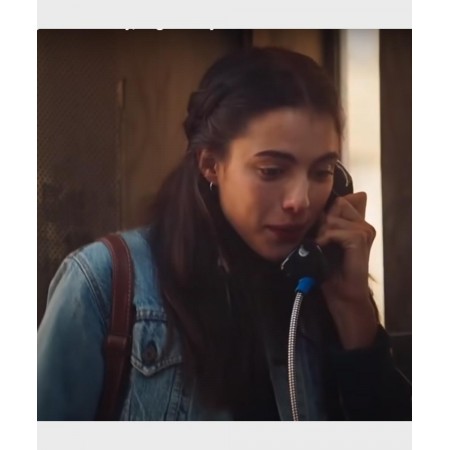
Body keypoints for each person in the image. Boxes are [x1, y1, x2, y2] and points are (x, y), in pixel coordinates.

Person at [37, 46, 411, 421]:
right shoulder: (103, 280)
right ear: (211, 164)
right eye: (271, 171)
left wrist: (351, 306)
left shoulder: (318, 283)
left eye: (321, 172)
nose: (300, 200)